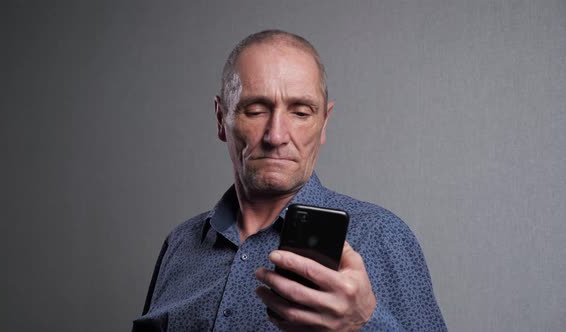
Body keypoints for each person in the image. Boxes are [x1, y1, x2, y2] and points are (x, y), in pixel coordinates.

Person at [132, 30, 446, 331]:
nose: (277, 136)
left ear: (324, 123)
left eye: (300, 112)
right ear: (220, 119)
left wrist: (363, 324)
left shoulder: (381, 237)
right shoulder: (181, 244)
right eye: (255, 111)